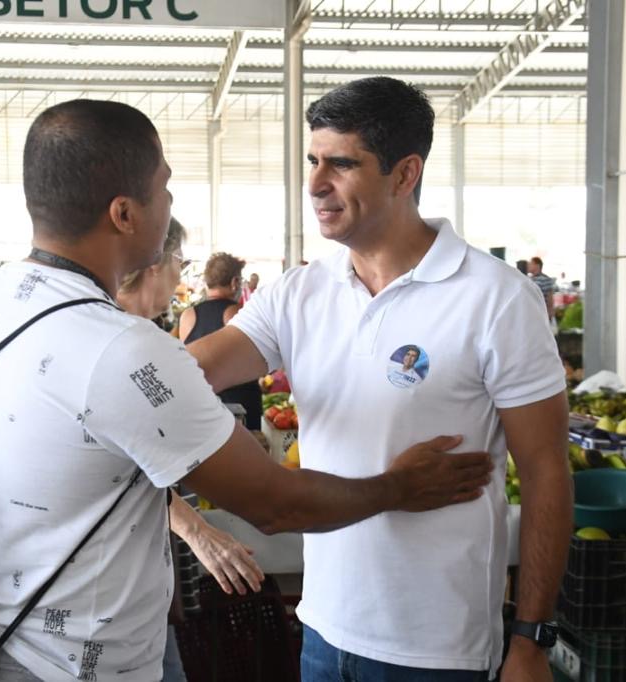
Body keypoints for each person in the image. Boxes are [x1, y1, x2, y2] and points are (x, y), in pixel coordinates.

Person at [0, 99, 493, 681]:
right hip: (84, 666)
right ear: (124, 214)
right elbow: (275, 503)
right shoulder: (121, 347)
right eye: (165, 188)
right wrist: (398, 486)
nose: (170, 204)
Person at [187, 77, 572, 681]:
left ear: (404, 173)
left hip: (437, 646)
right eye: (313, 161)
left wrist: (531, 637)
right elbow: (193, 371)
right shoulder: (298, 293)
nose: (316, 184)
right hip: (324, 627)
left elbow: (547, 470)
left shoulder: (496, 298)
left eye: (342, 164)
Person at [116, 217, 263, 682]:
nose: (182, 276)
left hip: (138, 584)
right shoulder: (125, 343)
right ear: (154, 263)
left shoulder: (147, 334)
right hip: (118, 598)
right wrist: (198, 530)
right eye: (180, 262)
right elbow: (121, 467)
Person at [179, 253, 263, 429]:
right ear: (234, 282)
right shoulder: (237, 313)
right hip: (239, 411)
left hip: (202, 409)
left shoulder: (188, 315)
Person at [527, 256, 556, 321]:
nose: (528, 266)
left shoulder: (546, 279)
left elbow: (549, 299)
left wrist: (550, 314)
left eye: (531, 264)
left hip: (541, 314)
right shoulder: (528, 279)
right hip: (531, 314)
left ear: (537, 265)